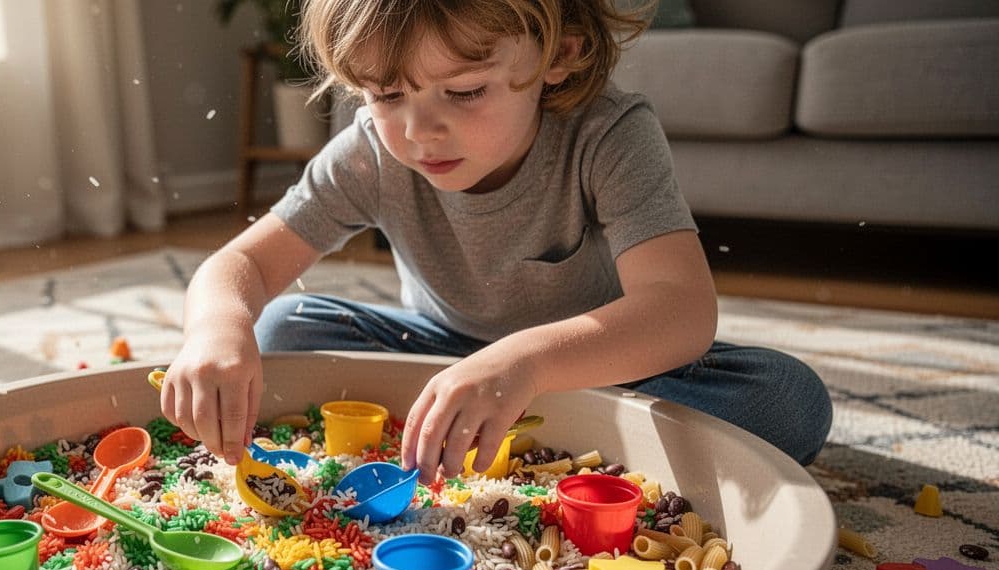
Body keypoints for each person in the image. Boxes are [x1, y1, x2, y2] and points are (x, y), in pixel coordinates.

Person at [160, 0, 832, 479]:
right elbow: (242, 265)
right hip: (444, 353)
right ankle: (488, 418)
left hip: (603, 369)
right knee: (283, 328)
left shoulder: (609, 134)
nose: (421, 132)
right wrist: (216, 331)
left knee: (784, 398)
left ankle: (529, 415)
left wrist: (526, 366)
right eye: (387, 96)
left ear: (558, 55)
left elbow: (680, 311)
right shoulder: (370, 153)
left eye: (465, 91)